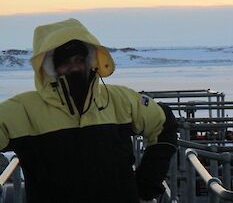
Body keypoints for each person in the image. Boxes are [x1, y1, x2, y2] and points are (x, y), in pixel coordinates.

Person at [0, 18, 178, 203]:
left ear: (91, 60)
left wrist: (146, 185)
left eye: (80, 59)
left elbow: (163, 123)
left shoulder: (120, 100)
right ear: (49, 67)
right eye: (65, 61)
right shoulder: (23, 110)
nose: (75, 67)